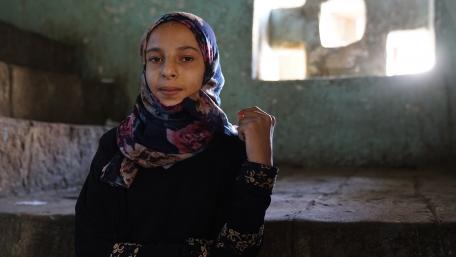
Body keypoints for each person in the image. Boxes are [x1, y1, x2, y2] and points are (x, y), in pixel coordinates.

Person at [75, 11, 278, 257]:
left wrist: (260, 165)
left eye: (186, 58)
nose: (167, 70)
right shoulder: (118, 144)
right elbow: (89, 247)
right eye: (155, 58)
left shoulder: (231, 150)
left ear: (209, 66)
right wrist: (200, 251)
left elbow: (239, 249)